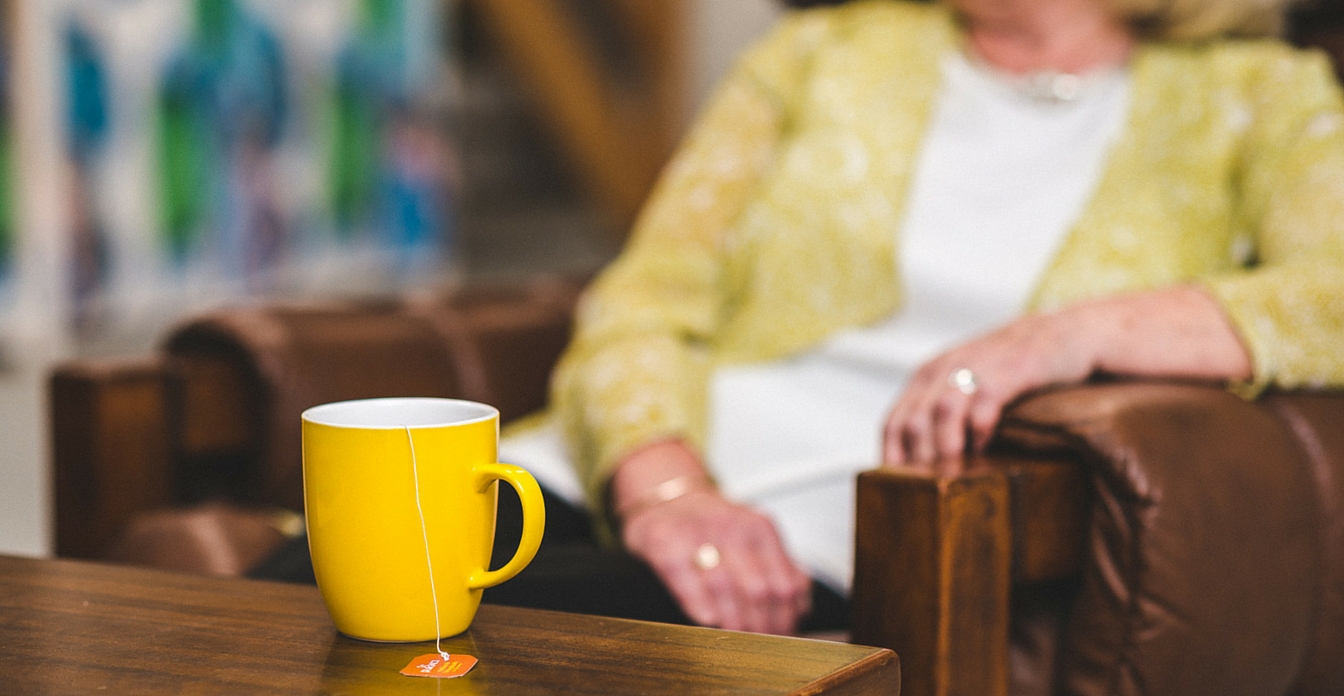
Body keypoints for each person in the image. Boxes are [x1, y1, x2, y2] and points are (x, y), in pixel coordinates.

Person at [257, 0, 1344, 637]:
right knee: (278, 607)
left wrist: (1071, 334)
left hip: (827, 541)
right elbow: (647, 292)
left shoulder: (1260, 93)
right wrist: (667, 487)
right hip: (612, 480)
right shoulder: (825, 51)